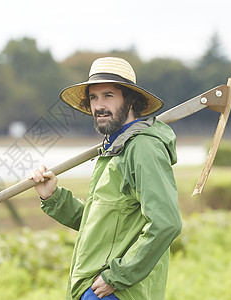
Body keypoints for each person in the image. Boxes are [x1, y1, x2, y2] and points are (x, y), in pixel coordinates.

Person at [28, 57, 182, 300]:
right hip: (95, 289)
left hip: (118, 292)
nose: (99, 106)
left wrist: (117, 276)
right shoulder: (114, 149)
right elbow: (101, 224)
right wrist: (53, 197)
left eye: (108, 95)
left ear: (130, 100)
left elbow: (166, 222)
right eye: (93, 97)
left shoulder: (142, 148)